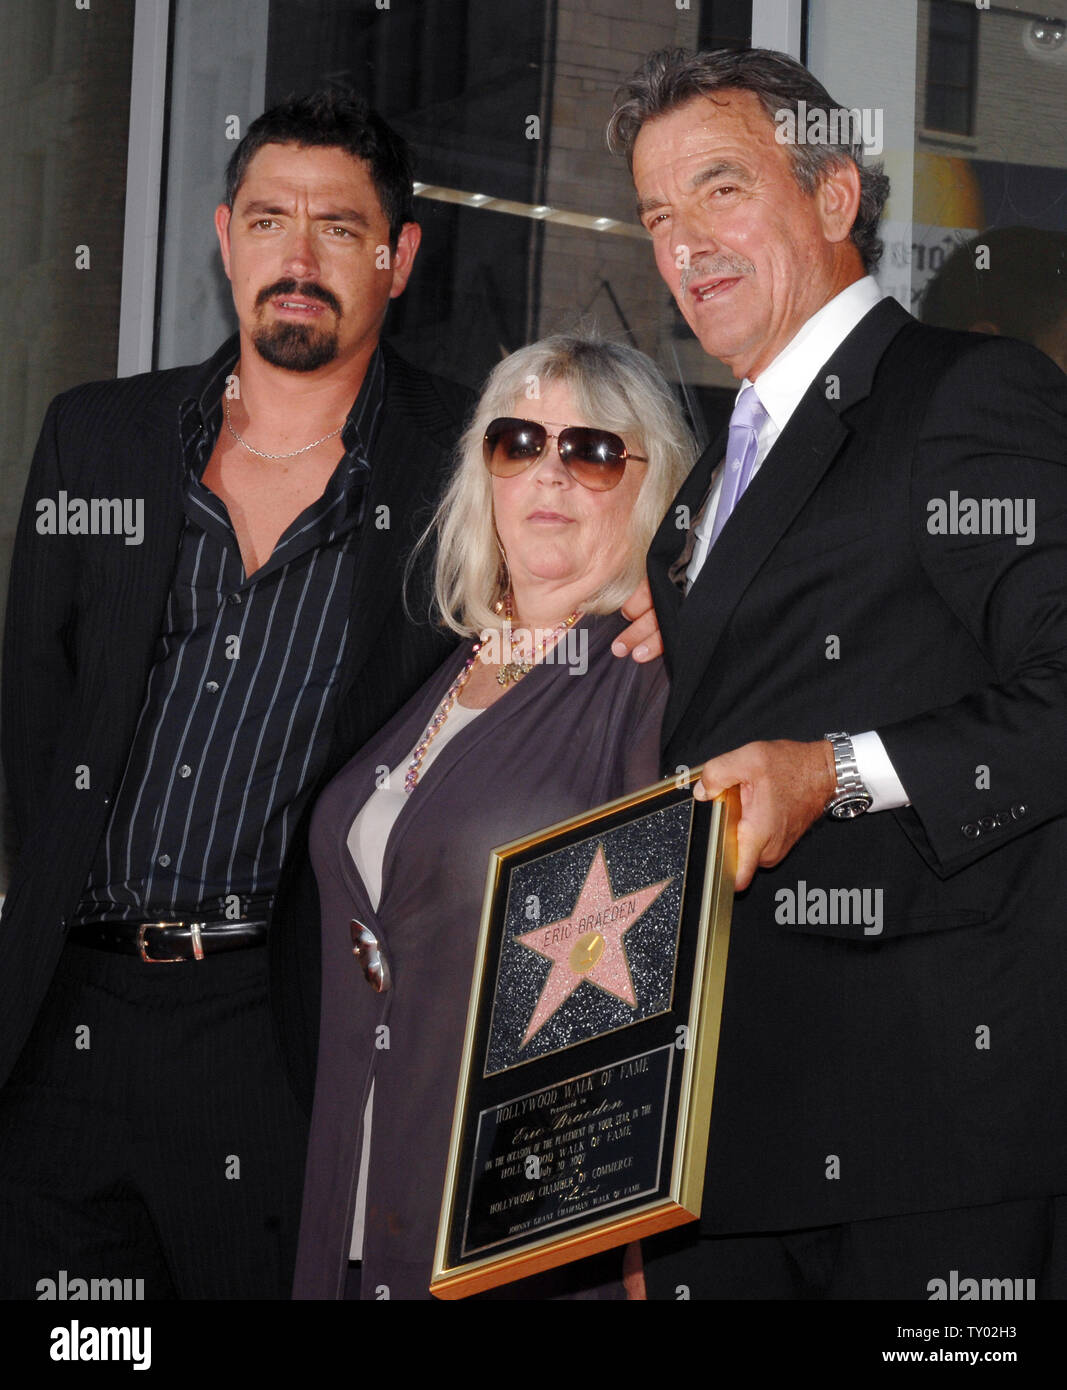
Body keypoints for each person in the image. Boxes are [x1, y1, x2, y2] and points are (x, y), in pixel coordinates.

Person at [606, 48, 1067, 1299]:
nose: (683, 243)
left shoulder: (964, 393)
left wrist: (836, 773)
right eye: (654, 215)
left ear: (830, 195)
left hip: (927, 1142)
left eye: (718, 190)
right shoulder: (704, 487)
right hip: (733, 1143)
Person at [0, 90, 473, 1299]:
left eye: (336, 226)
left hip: (281, 1027)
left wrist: (643, 598)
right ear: (225, 238)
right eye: (268, 221)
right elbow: (31, 714)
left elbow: (644, 488)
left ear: (397, 255)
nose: (297, 259)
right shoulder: (96, 439)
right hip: (68, 1013)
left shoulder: (468, 463)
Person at [292, 334, 695, 1300]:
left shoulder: (650, 684)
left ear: (653, 488)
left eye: (593, 451)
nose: (548, 472)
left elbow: (663, 1002)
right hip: (354, 1205)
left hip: (524, 1236)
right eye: (518, 442)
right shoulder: (433, 666)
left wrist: (639, 1254)